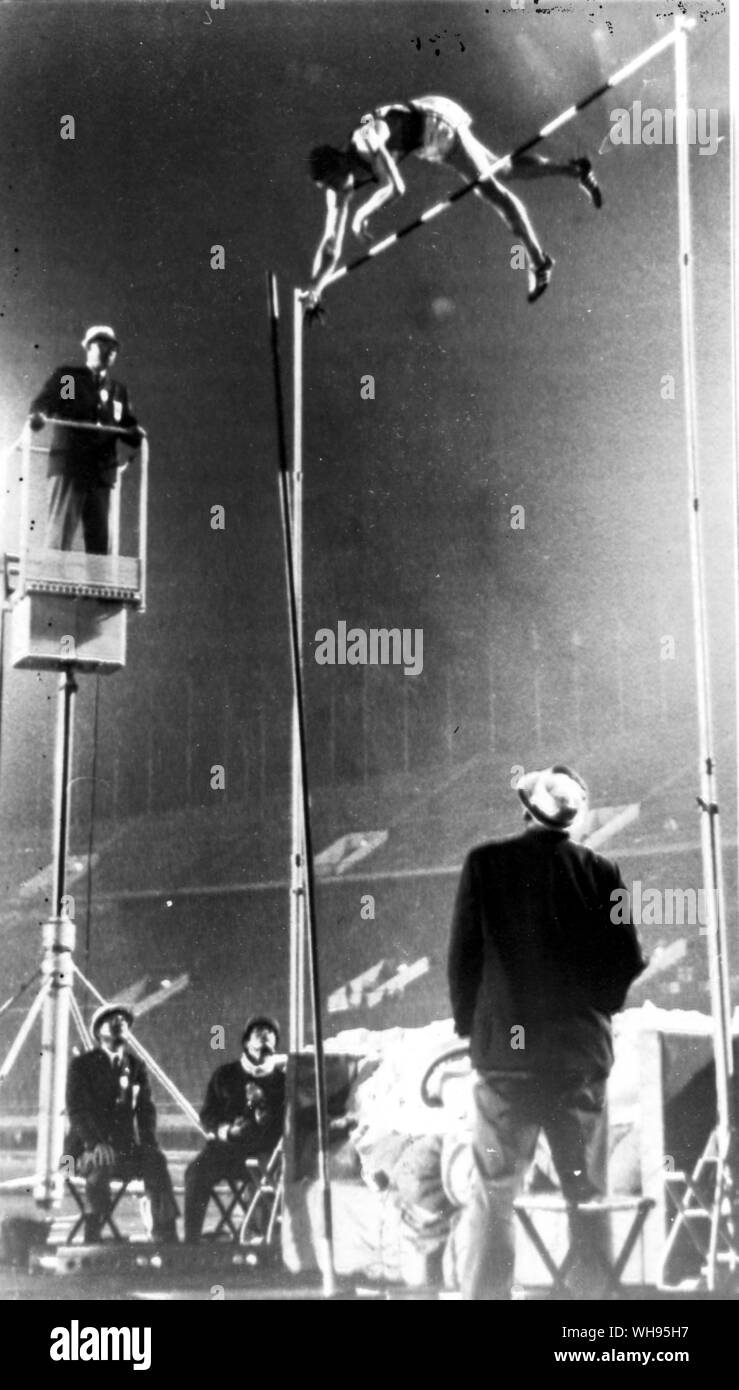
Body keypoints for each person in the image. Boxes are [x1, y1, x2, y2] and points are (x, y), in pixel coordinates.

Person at [447, 764, 646, 1300]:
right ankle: (591, 1315)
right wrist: (598, 1010)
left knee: (495, 1194)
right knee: (587, 1193)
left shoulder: (484, 863)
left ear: (525, 810)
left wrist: (474, 1030)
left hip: (504, 1062)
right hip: (577, 1059)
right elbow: (626, 959)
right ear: (575, 820)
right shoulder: (603, 870)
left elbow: (463, 960)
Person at [305, 96, 602, 313]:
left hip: (434, 122)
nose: (336, 192)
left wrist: (362, 213)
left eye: (333, 182)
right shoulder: (338, 190)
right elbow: (330, 246)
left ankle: (540, 262)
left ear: (341, 163)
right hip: (426, 141)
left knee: (490, 190)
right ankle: (575, 170)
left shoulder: (365, 139)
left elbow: (396, 187)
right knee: (503, 171)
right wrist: (316, 289)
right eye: (328, 188)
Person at [66, 1002, 179, 1244]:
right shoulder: (82, 1065)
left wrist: (149, 1143)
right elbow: (77, 1111)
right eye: (112, 1021)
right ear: (99, 1032)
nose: (119, 1024)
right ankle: (92, 1237)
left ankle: (165, 1232)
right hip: (80, 1152)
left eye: (123, 1021)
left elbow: (146, 1110)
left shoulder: (136, 1066)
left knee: (155, 1160)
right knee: (101, 1163)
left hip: (123, 1150)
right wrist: (95, 1143)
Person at [28, 325, 145, 554]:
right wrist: (39, 415)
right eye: (103, 345)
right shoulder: (71, 379)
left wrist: (135, 434)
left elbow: (127, 425)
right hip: (71, 465)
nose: (109, 351)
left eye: (113, 347)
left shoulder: (117, 391)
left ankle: (96, 589)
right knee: (60, 534)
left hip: (101, 473)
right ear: (89, 347)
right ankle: (55, 585)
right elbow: (52, 403)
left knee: (100, 541)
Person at [184, 1015, 286, 1243]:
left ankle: (260, 1237)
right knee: (195, 1173)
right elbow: (208, 1115)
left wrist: (265, 1112)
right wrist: (228, 1130)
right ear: (247, 1042)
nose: (265, 1038)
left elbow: (284, 1125)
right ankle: (191, 1242)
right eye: (259, 1033)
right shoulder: (225, 1074)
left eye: (270, 1035)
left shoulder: (283, 1081)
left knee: (275, 1176)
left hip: (263, 1155)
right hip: (227, 1150)